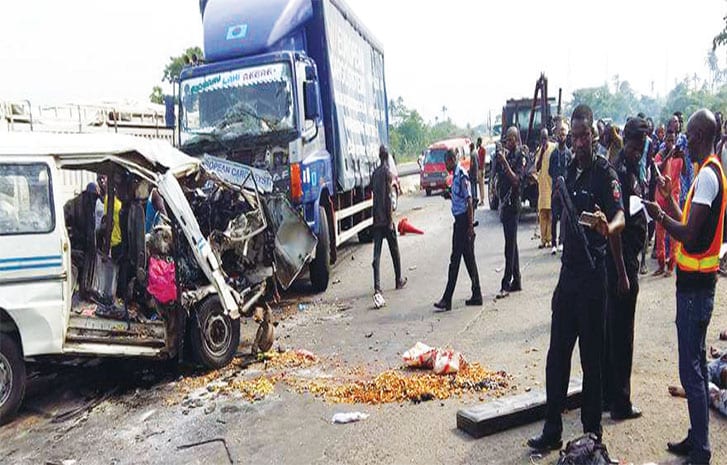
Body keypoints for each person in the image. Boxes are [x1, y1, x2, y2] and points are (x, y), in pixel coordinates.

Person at [528, 104, 625, 452]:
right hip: (568, 277)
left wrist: (606, 225)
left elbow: (619, 219)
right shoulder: (567, 169)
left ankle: (591, 432)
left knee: (592, 359)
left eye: (587, 136)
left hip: (593, 275)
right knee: (557, 357)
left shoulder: (605, 173)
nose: (581, 142)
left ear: (595, 137)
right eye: (577, 136)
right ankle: (552, 428)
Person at [644, 109, 726, 465]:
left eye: (689, 136)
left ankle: (702, 449)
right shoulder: (705, 175)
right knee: (691, 365)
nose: (684, 142)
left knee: (690, 370)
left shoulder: (708, 176)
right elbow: (688, 221)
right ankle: (696, 438)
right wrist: (668, 198)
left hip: (696, 289)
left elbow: (689, 235)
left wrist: (660, 216)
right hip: (693, 286)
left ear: (703, 136)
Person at [602, 117, 649, 421]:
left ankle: (609, 395)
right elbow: (615, 227)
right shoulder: (620, 172)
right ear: (627, 142)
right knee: (622, 335)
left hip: (624, 259)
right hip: (622, 261)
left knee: (612, 330)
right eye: (635, 147)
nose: (638, 152)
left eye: (641, 148)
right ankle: (621, 402)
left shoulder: (628, 168)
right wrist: (622, 273)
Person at [433, 149, 481, 311]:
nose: (445, 166)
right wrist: (449, 195)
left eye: (447, 162)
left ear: (452, 160)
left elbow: (469, 201)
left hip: (462, 223)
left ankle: (447, 299)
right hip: (460, 221)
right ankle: (477, 294)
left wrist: (469, 226)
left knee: (455, 261)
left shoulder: (461, 174)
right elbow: (460, 197)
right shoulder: (455, 176)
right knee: (469, 260)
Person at [371, 146, 407, 306]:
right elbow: (388, 198)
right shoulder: (387, 173)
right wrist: (391, 220)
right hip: (386, 220)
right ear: (387, 158)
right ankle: (398, 279)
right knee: (395, 252)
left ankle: (377, 287)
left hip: (376, 219)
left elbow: (376, 197)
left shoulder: (375, 174)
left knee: (376, 255)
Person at [495, 127, 525, 298]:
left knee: (509, 246)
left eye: (509, 139)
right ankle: (517, 280)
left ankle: (506, 283)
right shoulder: (506, 155)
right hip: (505, 205)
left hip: (513, 204)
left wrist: (505, 163)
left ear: (515, 139)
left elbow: (516, 181)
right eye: (506, 140)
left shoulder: (520, 156)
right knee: (512, 243)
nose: (507, 142)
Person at [653, 129, 685, 277]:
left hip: (674, 198)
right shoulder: (660, 155)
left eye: (673, 140)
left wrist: (681, 157)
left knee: (674, 235)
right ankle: (660, 263)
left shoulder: (679, 156)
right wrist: (668, 156)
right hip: (661, 197)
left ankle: (671, 265)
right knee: (659, 233)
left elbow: (684, 173)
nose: (670, 143)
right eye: (668, 140)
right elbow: (657, 168)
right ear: (664, 140)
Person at [549, 119, 572, 255]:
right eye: (560, 134)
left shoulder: (568, 154)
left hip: (565, 191)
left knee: (564, 217)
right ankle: (553, 243)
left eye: (564, 134)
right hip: (555, 189)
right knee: (554, 217)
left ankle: (562, 241)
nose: (562, 137)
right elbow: (550, 171)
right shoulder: (554, 154)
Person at [536, 128, 555, 249]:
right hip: (542, 187)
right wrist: (542, 152)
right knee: (543, 214)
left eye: (545, 138)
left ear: (548, 137)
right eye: (542, 139)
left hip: (552, 186)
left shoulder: (554, 148)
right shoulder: (539, 151)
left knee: (551, 215)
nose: (544, 141)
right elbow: (537, 167)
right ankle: (543, 239)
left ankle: (550, 239)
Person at [476, 138, 487, 207]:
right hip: (479, 169)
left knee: (482, 185)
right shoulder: (479, 150)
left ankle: (482, 200)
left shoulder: (483, 150)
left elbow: (483, 160)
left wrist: (483, 170)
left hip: (481, 169)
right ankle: (481, 199)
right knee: (480, 186)